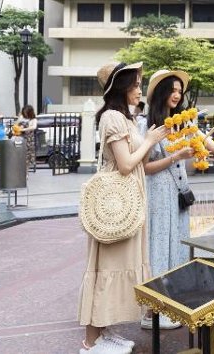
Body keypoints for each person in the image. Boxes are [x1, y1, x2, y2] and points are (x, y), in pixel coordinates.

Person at [139, 70, 214, 330]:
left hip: (179, 193)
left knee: (178, 245)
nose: (177, 95)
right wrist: (176, 156)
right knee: (159, 246)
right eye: (172, 90)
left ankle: (171, 305)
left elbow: (211, 146)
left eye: (179, 90)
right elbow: (145, 168)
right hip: (158, 193)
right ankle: (151, 312)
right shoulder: (149, 126)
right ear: (161, 92)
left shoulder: (185, 123)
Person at [78, 61, 168, 354]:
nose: (140, 90)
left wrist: (151, 142)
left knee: (117, 266)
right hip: (115, 202)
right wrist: (150, 140)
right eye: (136, 84)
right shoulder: (112, 118)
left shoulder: (127, 118)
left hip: (129, 201)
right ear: (121, 86)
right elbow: (126, 165)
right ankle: (90, 342)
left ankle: (105, 333)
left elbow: (139, 160)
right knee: (107, 268)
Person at [17, 105, 38, 172]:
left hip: (28, 140)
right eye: (24, 111)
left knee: (27, 157)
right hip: (20, 139)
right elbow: (15, 125)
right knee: (20, 156)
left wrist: (23, 129)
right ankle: (20, 172)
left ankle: (26, 172)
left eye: (26, 112)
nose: (25, 113)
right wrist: (19, 118)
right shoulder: (22, 117)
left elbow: (33, 127)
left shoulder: (33, 119)